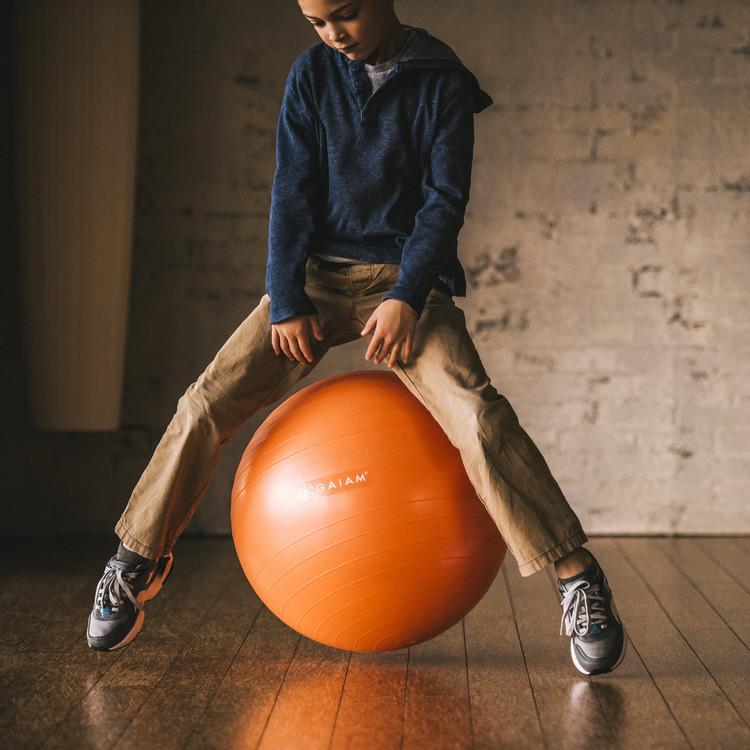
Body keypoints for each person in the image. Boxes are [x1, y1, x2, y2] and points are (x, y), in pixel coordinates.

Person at [87, 0, 626, 676]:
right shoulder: (310, 77)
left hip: (407, 285)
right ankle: (136, 560)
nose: (333, 33)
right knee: (202, 404)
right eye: (316, 22)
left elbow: (443, 202)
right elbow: (292, 191)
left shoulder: (443, 80)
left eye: (344, 14)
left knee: (479, 416)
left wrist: (406, 297)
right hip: (313, 284)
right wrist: (286, 301)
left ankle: (578, 579)